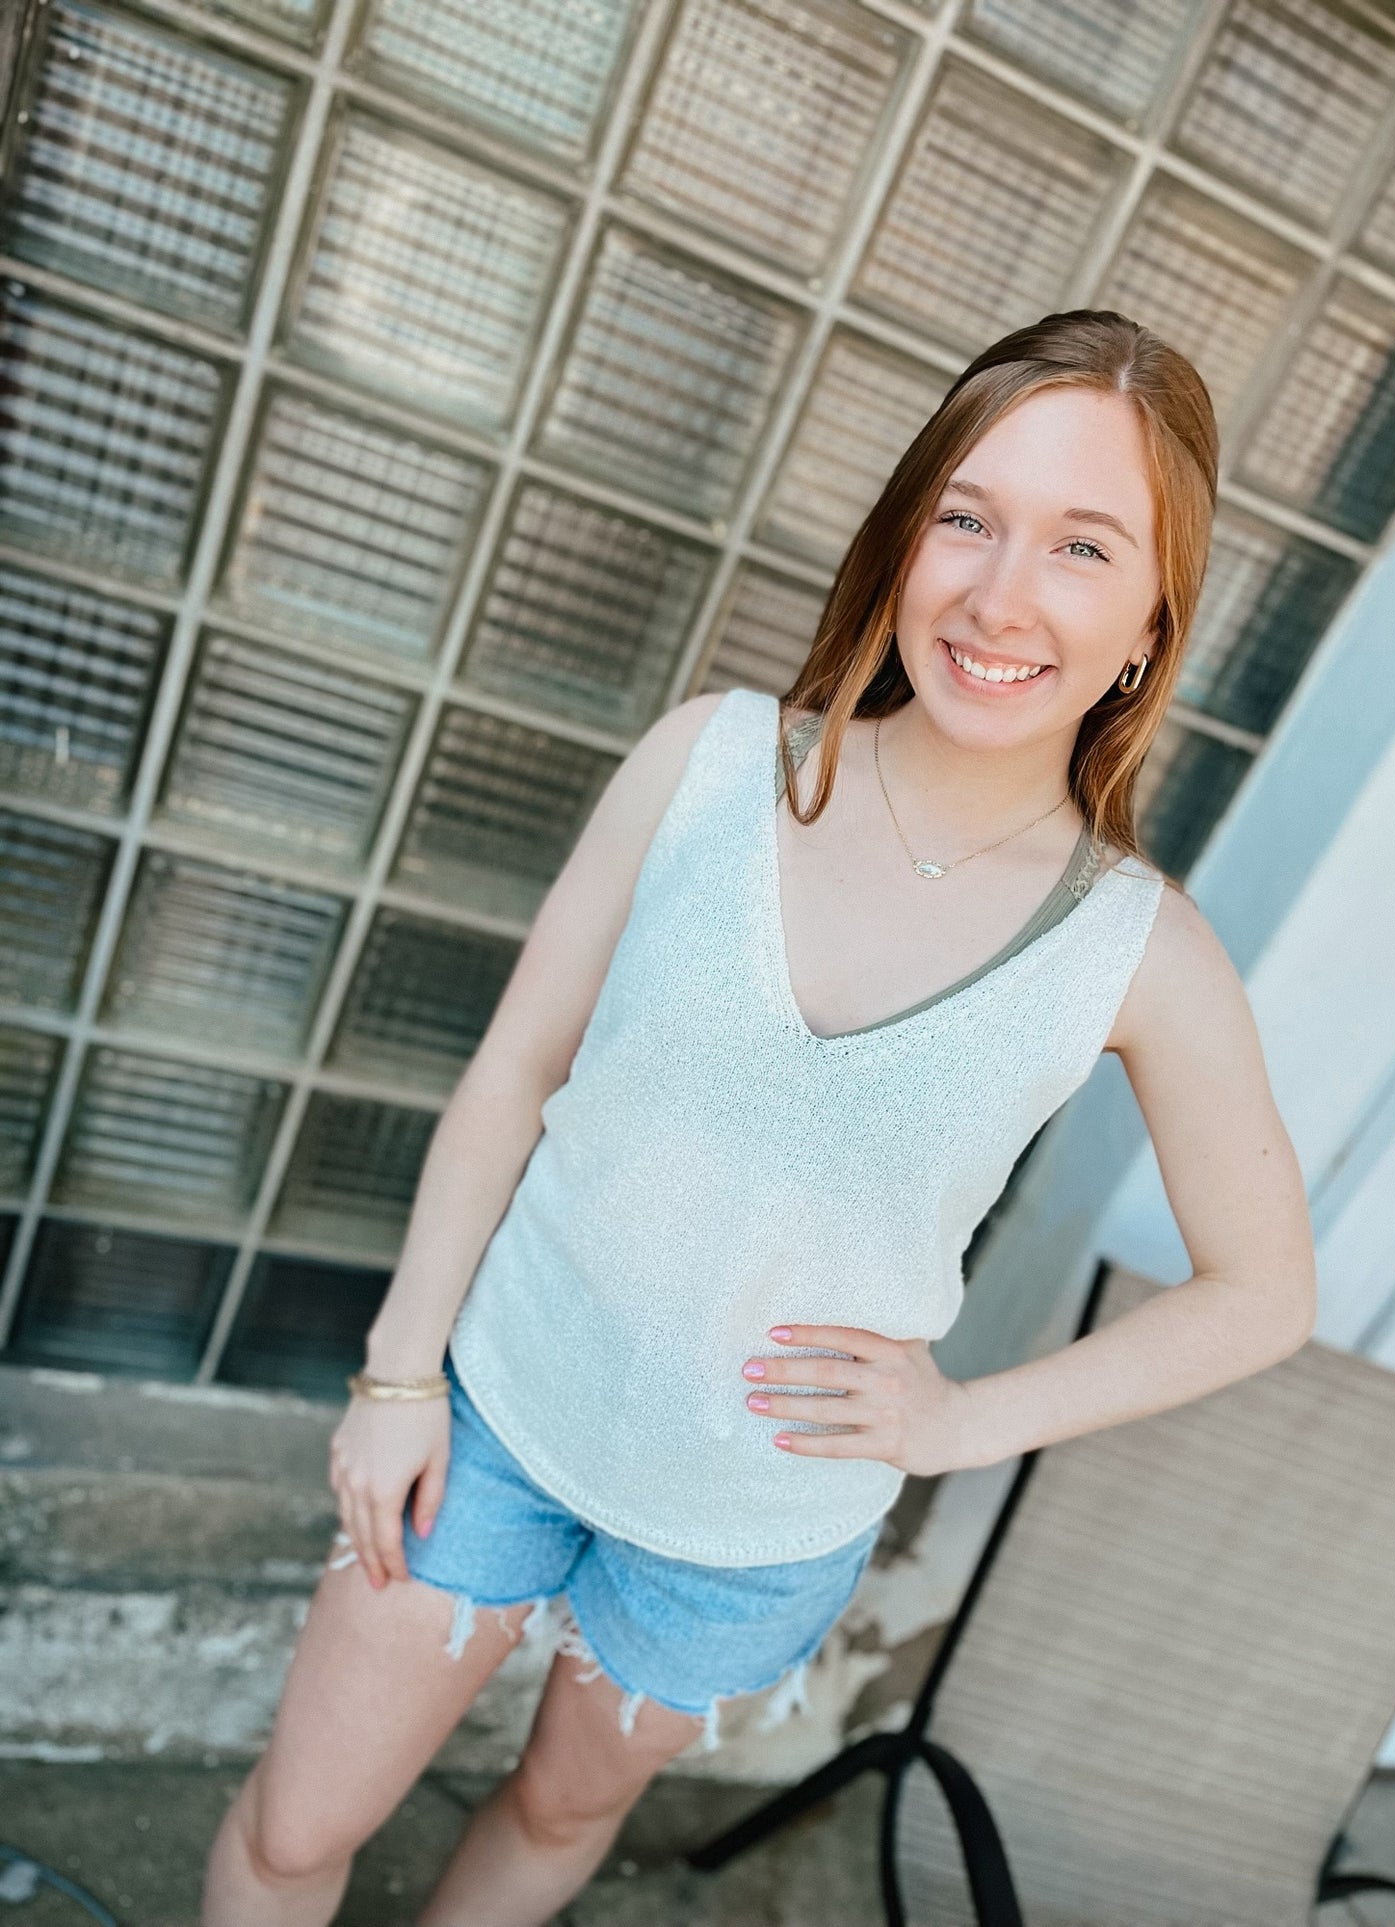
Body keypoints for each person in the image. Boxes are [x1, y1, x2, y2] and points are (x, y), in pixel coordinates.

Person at [203, 309, 1317, 1925]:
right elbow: (514, 1071)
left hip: (751, 1532)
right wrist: (396, 1374)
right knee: (297, 1830)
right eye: (966, 518)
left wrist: (958, 1421)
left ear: (1149, 620)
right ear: (902, 540)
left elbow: (1262, 1295)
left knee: (561, 1809)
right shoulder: (708, 765)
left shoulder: (1141, 952)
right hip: (502, 1417)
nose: (1000, 595)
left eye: (1082, 546)